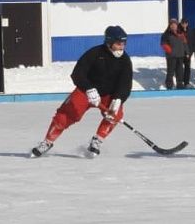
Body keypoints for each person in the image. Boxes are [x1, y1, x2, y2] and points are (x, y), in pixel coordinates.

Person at [30, 26, 132, 158]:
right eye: (119, 43)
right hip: (86, 91)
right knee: (67, 113)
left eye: (124, 43)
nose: (122, 47)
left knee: (115, 115)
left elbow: (125, 84)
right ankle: (47, 142)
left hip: (109, 95)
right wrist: (89, 88)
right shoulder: (94, 53)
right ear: (109, 42)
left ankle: (97, 141)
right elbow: (77, 73)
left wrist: (118, 99)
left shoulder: (125, 60)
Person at [160, 19, 187, 90]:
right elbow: (163, 44)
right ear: (170, 25)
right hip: (171, 56)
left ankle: (180, 84)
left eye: (175, 24)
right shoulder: (166, 34)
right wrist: (170, 51)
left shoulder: (181, 33)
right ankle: (169, 85)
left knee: (180, 71)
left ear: (177, 25)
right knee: (170, 71)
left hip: (180, 55)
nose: (173, 26)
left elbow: (184, 43)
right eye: (172, 24)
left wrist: (186, 51)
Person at [179, 18, 193, 88]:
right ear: (181, 24)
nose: (184, 25)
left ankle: (186, 82)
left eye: (185, 23)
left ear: (187, 24)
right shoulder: (178, 31)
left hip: (188, 54)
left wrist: (190, 52)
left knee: (187, 68)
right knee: (180, 68)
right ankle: (180, 82)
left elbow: (192, 43)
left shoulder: (190, 31)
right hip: (180, 53)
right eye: (183, 23)